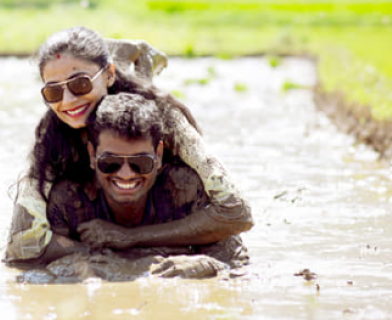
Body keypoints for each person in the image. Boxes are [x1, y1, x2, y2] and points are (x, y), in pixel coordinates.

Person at [6, 26, 253, 265]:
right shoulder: (53, 136)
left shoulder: (164, 117)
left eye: (80, 84)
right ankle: (122, 59)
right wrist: (117, 258)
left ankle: (133, 64)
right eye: (53, 92)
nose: (68, 101)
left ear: (109, 75)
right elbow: (24, 244)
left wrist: (133, 240)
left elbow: (236, 210)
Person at [46, 93, 248, 278]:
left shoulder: (185, 189)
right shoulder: (69, 199)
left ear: (158, 156)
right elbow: (34, 261)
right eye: (110, 163)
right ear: (92, 155)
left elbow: (236, 261)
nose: (126, 174)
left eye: (140, 163)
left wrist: (207, 265)